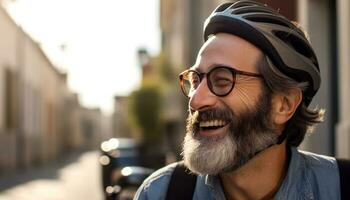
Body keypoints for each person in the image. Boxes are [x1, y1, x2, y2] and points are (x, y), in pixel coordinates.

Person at [134, 1, 346, 199]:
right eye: (196, 80)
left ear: (284, 105)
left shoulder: (340, 188)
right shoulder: (161, 193)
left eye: (223, 80)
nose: (195, 100)